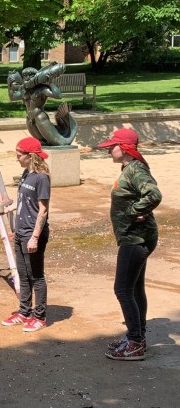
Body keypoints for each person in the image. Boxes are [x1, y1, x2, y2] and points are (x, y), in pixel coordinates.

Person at [99, 128, 162, 361]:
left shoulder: (136, 169)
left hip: (136, 239)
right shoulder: (130, 168)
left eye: (112, 146)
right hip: (136, 237)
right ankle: (138, 337)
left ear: (124, 148)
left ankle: (135, 342)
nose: (108, 150)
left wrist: (134, 211)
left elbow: (154, 194)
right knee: (134, 288)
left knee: (123, 289)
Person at [1, 137, 50, 332]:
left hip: (32, 233)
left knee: (36, 276)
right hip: (21, 232)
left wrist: (35, 237)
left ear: (30, 156)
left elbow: (43, 210)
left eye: (19, 155)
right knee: (22, 274)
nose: (17, 159)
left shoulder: (42, 178)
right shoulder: (26, 174)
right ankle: (24, 312)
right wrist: (8, 209)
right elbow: (23, 201)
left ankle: (40, 316)